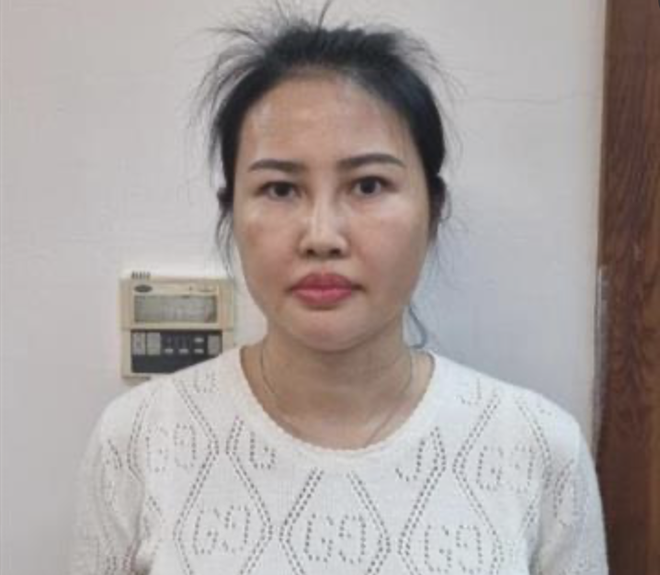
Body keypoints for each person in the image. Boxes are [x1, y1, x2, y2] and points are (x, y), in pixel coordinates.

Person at [69, 8, 609, 575]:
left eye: (368, 185)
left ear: (433, 211)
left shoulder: (538, 449)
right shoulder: (137, 442)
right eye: (280, 189)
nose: (322, 236)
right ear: (232, 212)